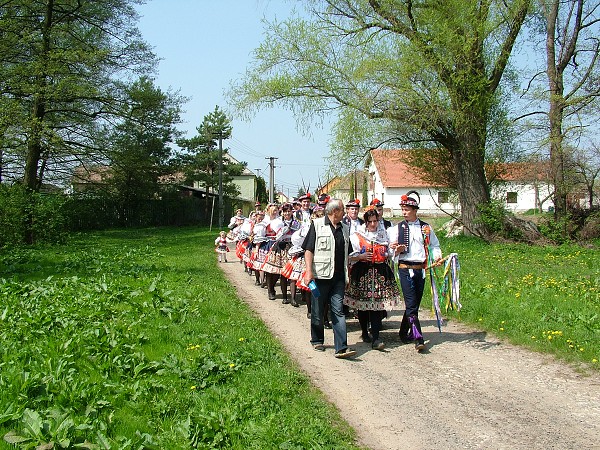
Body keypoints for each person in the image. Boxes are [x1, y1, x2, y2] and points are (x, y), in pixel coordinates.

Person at [387, 191, 442, 352]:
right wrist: (396, 250)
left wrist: (437, 256)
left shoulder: (425, 227)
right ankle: (418, 337)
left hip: (421, 269)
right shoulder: (397, 229)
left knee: (414, 304)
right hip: (405, 268)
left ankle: (403, 331)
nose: (404, 212)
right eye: (403, 209)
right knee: (411, 303)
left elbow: (434, 245)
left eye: (407, 209)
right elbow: (390, 252)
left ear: (415, 210)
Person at [302, 198, 356, 359]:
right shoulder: (317, 225)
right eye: (342, 210)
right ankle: (317, 339)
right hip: (320, 276)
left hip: (338, 277)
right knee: (318, 309)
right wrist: (308, 271)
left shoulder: (345, 228)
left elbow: (347, 253)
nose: (345, 212)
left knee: (338, 310)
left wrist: (348, 275)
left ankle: (342, 347)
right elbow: (308, 250)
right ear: (334, 211)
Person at [345, 207, 400, 350]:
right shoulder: (357, 236)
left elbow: (389, 253)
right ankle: (364, 331)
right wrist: (360, 257)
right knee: (363, 305)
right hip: (363, 272)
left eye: (376, 221)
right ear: (366, 222)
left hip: (380, 272)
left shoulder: (384, 234)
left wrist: (391, 251)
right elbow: (349, 256)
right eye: (371, 222)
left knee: (377, 305)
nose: (374, 224)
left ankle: (376, 337)